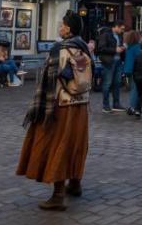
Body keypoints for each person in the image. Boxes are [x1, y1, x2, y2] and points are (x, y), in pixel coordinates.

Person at [17, 12, 93, 210]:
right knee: (76, 143)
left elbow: (48, 83)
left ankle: (58, 195)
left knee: (57, 143)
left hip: (60, 105)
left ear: (68, 29)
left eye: (62, 24)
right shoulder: (83, 48)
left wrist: (40, 109)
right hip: (81, 104)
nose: (60, 27)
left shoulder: (59, 49)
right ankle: (75, 183)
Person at [96, 22, 123, 112]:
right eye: (121, 28)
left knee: (117, 83)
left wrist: (122, 48)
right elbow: (101, 48)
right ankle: (106, 105)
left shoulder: (119, 36)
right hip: (109, 62)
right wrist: (114, 50)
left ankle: (116, 104)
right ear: (116, 26)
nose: (122, 30)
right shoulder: (105, 35)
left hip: (118, 61)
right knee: (107, 83)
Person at [122, 30, 142, 115]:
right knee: (135, 89)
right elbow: (139, 57)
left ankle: (132, 105)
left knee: (132, 88)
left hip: (127, 69)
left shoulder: (129, 47)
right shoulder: (137, 47)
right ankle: (132, 107)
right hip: (134, 69)